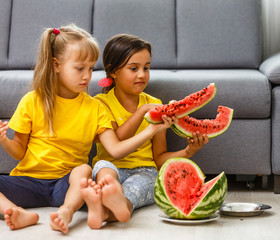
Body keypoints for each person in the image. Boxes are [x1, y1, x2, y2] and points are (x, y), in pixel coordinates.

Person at [0, 26, 172, 234]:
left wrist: (151, 131)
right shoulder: (32, 101)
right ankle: (14, 211)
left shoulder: (95, 107)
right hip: (29, 181)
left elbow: (115, 149)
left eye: (91, 69)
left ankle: (66, 212)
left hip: (68, 185)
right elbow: (19, 151)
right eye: (80, 68)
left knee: (84, 170)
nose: (87, 76)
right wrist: (4, 140)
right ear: (57, 65)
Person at [80, 34, 209, 229]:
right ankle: (110, 192)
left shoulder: (155, 104)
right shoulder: (101, 103)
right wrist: (141, 112)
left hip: (145, 171)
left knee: (138, 190)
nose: (142, 74)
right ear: (113, 72)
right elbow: (117, 140)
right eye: (134, 68)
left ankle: (112, 208)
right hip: (111, 165)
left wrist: (188, 152)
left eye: (146, 68)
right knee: (105, 169)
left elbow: (159, 158)